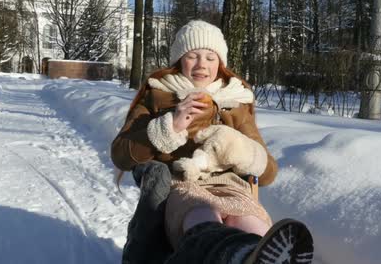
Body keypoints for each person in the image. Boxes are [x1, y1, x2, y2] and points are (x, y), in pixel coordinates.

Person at [112, 20, 314, 264]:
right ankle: (240, 256)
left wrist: (240, 149)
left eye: (210, 57)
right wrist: (170, 126)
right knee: (202, 213)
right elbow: (121, 154)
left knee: (248, 221)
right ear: (179, 60)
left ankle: (257, 254)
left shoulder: (235, 102)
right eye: (193, 56)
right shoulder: (157, 96)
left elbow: (268, 172)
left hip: (229, 185)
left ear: (220, 62)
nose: (202, 65)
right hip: (180, 186)